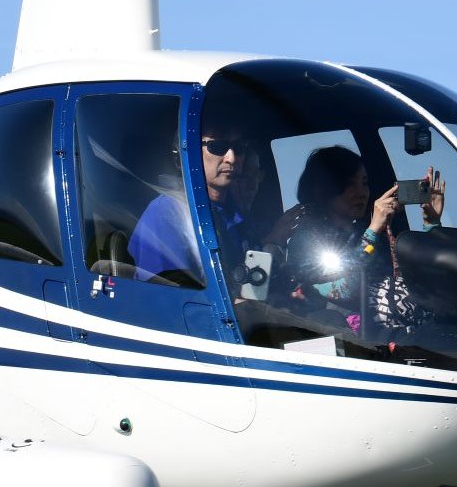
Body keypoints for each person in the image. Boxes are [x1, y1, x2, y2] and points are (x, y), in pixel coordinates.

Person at [262, 145, 414, 343]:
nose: (361, 193)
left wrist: (432, 222)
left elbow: (405, 276)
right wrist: (374, 229)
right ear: (323, 190)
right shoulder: (307, 240)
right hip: (343, 340)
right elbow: (345, 288)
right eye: (350, 184)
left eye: (365, 184)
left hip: (388, 335)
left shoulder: (365, 233)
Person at [127, 115, 262, 287]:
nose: (232, 158)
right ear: (187, 152)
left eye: (239, 148)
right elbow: (172, 300)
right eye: (218, 146)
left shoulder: (236, 215)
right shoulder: (167, 212)